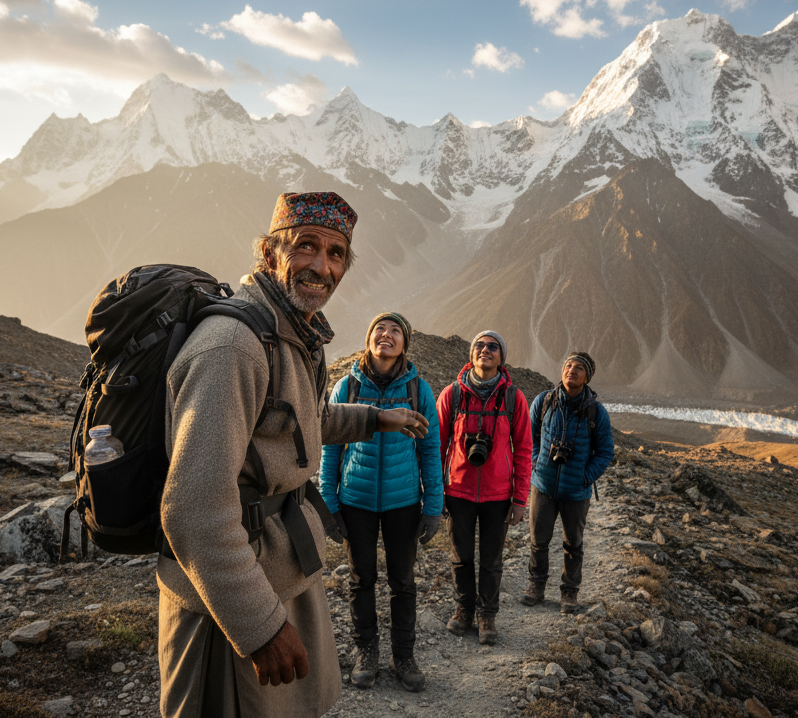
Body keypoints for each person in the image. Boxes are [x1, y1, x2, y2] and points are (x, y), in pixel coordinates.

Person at [157, 192, 430, 718]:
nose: (321, 267)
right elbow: (193, 510)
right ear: (268, 255)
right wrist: (259, 627)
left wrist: (375, 418)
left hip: (275, 569)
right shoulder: (233, 348)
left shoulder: (291, 334)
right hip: (229, 603)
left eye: (336, 255)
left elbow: (298, 424)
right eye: (306, 247)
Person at [320, 311, 442, 692]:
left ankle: (403, 655)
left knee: (403, 582)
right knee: (361, 579)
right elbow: (330, 447)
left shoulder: (418, 390)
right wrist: (328, 502)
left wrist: (433, 506)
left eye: (395, 331)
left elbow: (431, 449)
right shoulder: (347, 387)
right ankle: (366, 652)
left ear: (405, 343)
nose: (385, 335)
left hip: (403, 501)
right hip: (355, 500)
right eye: (379, 329)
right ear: (369, 338)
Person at [437, 330, 531, 646]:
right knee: (461, 556)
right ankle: (464, 609)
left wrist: (520, 498)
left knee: (491, 559)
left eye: (493, 347)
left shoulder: (513, 398)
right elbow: (435, 444)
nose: (485, 350)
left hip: (498, 494)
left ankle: (487, 615)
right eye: (479, 345)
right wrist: (436, 492)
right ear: (471, 354)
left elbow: (524, 449)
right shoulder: (452, 394)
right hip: (458, 491)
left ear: (501, 357)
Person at [522, 351, 614, 615]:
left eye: (579, 368)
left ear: (587, 378)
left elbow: (606, 451)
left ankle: (569, 592)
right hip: (543, 486)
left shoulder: (596, 412)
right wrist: (537, 463)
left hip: (577, 492)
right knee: (538, 541)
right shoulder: (544, 401)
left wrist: (585, 477)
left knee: (573, 543)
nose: (571, 370)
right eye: (568, 365)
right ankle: (536, 586)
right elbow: (530, 438)